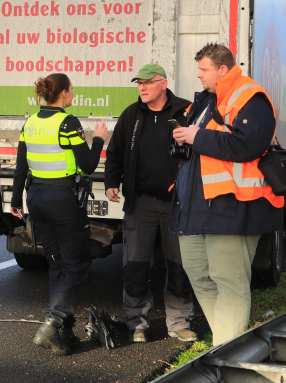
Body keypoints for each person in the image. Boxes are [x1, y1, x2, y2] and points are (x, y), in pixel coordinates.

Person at [171, 43, 284, 345]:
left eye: (203, 69)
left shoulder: (250, 96)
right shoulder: (206, 100)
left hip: (233, 209)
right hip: (196, 209)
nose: (198, 75)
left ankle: (224, 354)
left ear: (223, 69)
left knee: (229, 283)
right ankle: (224, 344)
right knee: (199, 276)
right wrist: (186, 138)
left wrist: (198, 136)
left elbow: (248, 146)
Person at [10, 73, 109, 356]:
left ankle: (63, 333)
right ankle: (52, 323)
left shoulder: (29, 123)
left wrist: (16, 201)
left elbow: (20, 168)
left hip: (36, 199)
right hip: (62, 200)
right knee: (77, 264)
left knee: (56, 264)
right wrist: (99, 140)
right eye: (72, 90)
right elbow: (88, 165)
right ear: (63, 94)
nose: (73, 93)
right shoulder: (68, 123)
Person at [104, 64, 196, 344]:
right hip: (140, 203)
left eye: (147, 82)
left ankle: (179, 322)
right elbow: (115, 152)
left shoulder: (185, 111)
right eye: (139, 83)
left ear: (163, 84)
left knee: (180, 266)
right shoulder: (131, 115)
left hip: (178, 204)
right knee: (135, 265)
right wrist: (111, 181)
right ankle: (137, 323)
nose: (142, 88)